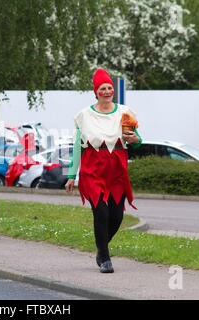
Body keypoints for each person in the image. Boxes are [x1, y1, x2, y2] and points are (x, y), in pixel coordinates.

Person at [65, 68, 142, 273]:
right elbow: (78, 147)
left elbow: (135, 139)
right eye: (102, 88)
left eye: (109, 88)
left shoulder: (125, 112)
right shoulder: (84, 116)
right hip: (93, 169)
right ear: (96, 92)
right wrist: (72, 175)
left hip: (117, 169)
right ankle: (106, 259)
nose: (107, 91)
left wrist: (136, 140)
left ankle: (101, 249)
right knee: (101, 211)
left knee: (116, 217)